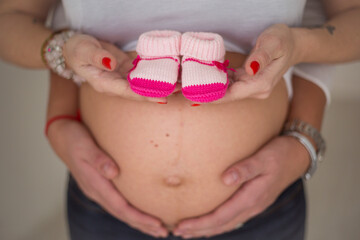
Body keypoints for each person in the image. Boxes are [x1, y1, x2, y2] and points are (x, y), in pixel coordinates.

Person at [1, 0, 360, 239]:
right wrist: (59, 117)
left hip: (262, 208)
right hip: (104, 208)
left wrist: (303, 139)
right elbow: (10, 18)